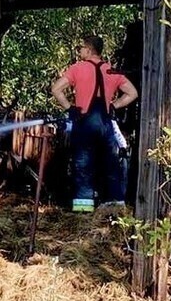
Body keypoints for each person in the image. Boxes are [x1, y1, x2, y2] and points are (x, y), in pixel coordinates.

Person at [51, 36, 138, 212]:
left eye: (81, 48)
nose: (79, 51)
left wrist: (69, 108)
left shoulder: (77, 68)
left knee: (83, 164)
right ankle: (115, 204)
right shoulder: (112, 71)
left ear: (89, 50)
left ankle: (84, 209)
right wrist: (114, 105)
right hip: (105, 124)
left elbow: (56, 89)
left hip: (84, 122)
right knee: (110, 162)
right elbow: (132, 93)